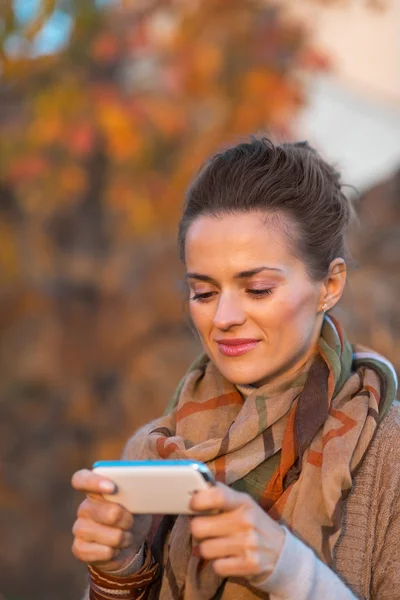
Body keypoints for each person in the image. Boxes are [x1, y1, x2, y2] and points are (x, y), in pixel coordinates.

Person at [71, 137, 400, 600]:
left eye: (258, 289)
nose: (223, 318)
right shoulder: (154, 450)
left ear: (330, 284)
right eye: (204, 293)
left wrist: (288, 570)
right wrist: (116, 570)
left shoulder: (389, 456)